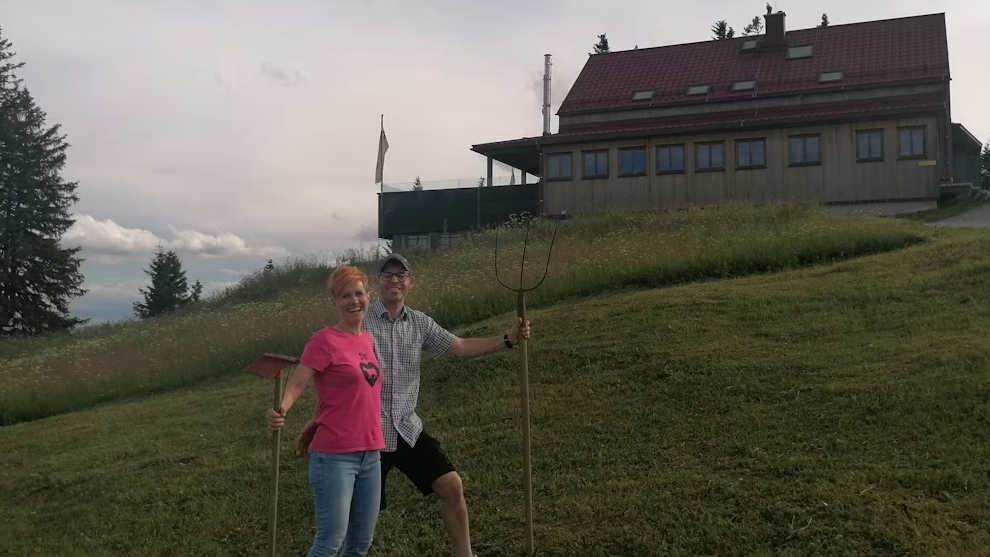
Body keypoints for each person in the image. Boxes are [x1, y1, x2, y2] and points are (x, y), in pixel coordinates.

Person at [295, 253, 531, 557]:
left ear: (410, 282)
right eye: (387, 274)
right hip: (366, 436)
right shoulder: (359, 318)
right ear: (377, 283)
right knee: (350, 527)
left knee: (451, 486)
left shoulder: (420, 324)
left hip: (406, 427)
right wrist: (320, 417)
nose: (394, 279)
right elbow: (332, 365)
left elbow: (458, 345)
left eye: (400, 274)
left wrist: (508, 339)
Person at [265, 265, 385, 557]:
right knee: (330, 542)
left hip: (371, 454)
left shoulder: (367, 339)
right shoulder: (323, 341)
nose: (354, 301)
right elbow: (297, 383)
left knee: (360, 544)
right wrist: (281, 408)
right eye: (345, 295)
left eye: (359, 293)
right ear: (334, 302)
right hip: (334, 458)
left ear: (368, 297)